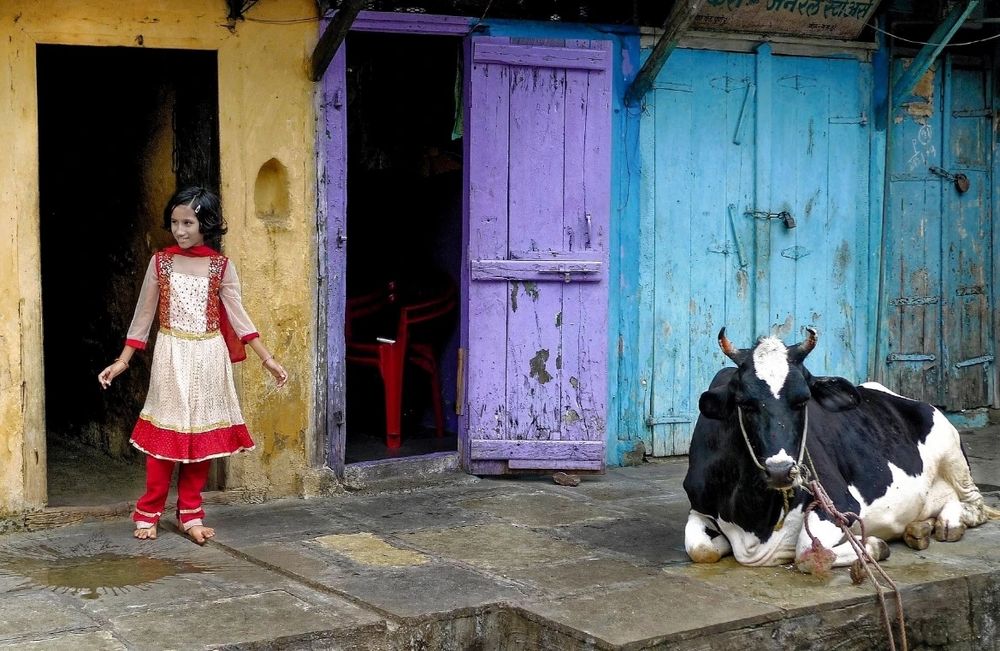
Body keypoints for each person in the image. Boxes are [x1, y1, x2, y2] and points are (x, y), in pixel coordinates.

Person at [98, 186, 288, 544]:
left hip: (209, 358)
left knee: (202, 439)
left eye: (189, 222)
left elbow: (239, 317)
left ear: (207, 224)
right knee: (163, 440)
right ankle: (148, 510)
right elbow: (144, 315)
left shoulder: (222, 267)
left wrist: (268, 359)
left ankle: (190, 513)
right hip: (171, 356)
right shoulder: (161, 262)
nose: (180, 230)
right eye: (175, 222)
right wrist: (123, 360)